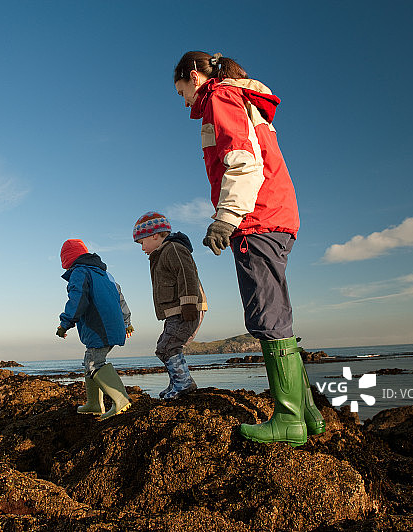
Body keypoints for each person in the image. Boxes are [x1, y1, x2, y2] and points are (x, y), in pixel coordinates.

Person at [173, 51, 325, 446]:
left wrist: (226, 218)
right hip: (278, 215)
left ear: (194, 76)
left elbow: (242, 162)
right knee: (277, 312)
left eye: (181, 91)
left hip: (256, 219)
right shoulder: (243, 98)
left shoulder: (221, 98)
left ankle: (289, 420)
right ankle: (308, 412)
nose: (183, 101)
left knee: (266, 315)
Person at [57, 239, 133, 420]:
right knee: (89, 360)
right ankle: (94, 404)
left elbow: (77, 301)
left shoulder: (79, 273)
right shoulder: (106, 274)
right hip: (112, 325)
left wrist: (65, 323)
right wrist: (127, 322)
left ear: (67, 259)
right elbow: (120, 298)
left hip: (99, 326)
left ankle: (121, 400)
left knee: (94, 363)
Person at [133, 212, 207, 399]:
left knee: (168, 346)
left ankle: (183, 383)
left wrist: (189, 303)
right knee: (164, 347)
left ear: (154, 235)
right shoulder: (161, 254)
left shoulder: (173, 248)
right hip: (175, 312)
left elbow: (186, 274)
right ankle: (177, 381)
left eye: (142, 242)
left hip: (185, 309)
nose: (142, 248)